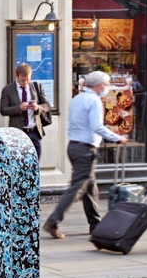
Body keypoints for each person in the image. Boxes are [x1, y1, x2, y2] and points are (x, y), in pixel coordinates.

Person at [43, 70, 128, 239]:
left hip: (74, 146)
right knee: (77, 187)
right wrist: (117, 137)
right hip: (85, 149)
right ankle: (53, 221)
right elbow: (97, 126)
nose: (107, 87)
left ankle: (95, 224)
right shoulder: (94, 101)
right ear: (98, 85)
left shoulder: (77, 99)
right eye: (106, 84)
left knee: (90, 186)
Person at [0, 63, 51, 158]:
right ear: (17, 76)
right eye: (23, 80)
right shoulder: (8, 90)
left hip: (34, 132)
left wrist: (37, 107)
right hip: (17, 133)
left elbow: (47, 106)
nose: (25, 83)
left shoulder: (37, 87)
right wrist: (19, 108)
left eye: (28, 80)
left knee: (35, 163)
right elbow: (3, 110)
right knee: (18, 162)